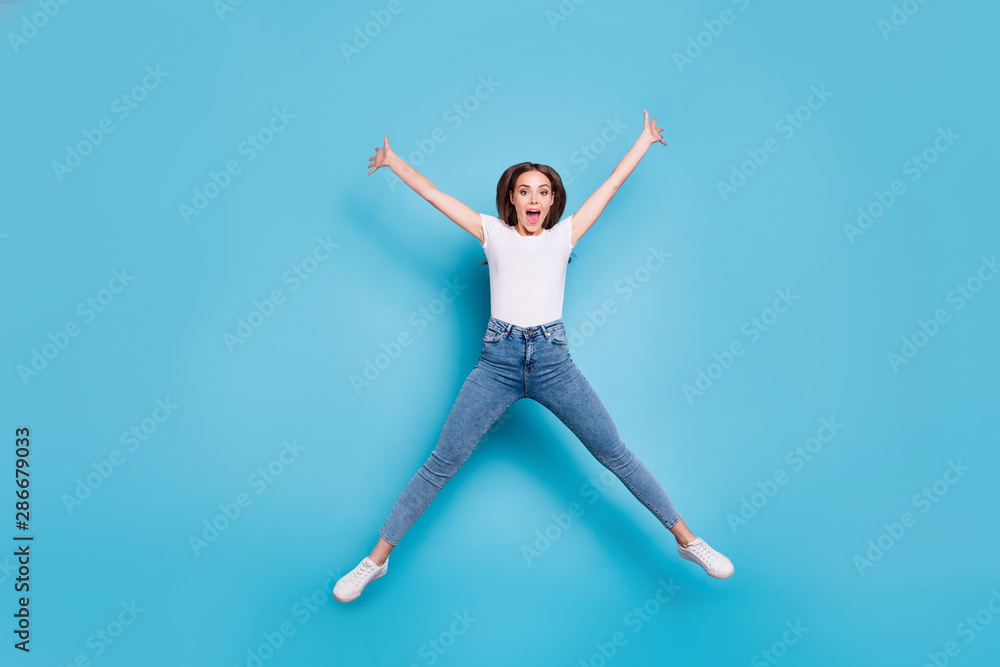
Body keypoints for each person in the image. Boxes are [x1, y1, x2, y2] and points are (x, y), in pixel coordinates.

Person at [334, 110, 733, 603]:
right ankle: (375, 562)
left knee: (614, 453)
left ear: (553, 202)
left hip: (552, 362)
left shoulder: (563, 235)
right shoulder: (491, 233)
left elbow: (609, 186)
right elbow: (436, 196)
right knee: (443, 460)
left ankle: (688, 542)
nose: (535, 198)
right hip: (497, 363)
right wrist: (395, 162)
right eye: (525, 190)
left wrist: (644, 141)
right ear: (511, 199)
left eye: (543, 191)